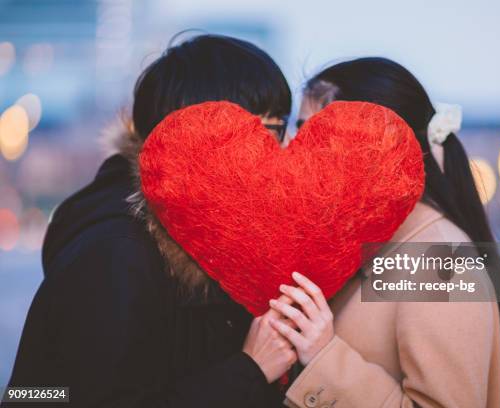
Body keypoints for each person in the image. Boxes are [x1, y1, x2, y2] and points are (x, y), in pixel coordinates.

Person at [4, 34, 295, 408]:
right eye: (272, 130)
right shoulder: (117, 252)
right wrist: (250, 369)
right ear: (206, 133)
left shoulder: (205, 233)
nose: (283, 149)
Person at [268, 57, 500, 407]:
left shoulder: (440, 261)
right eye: (298, 132)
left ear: (380, 142)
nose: (296, 150)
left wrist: (325, 357)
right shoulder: (362, 243)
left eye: (316, 133)